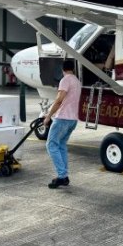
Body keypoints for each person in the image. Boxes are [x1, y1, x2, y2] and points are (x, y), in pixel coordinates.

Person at [43, 60, 82, 189]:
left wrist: (48, 116)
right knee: (61, 146)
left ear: (62, 69)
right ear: (73, 69)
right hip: (73, 119)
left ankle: (61, 176)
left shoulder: (65, 80)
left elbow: (59, 100)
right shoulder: (77, 81)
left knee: (51, 145)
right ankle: (64, 176)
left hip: (63, 118)